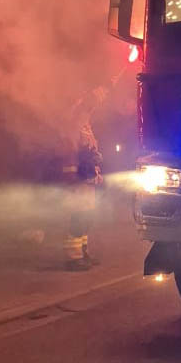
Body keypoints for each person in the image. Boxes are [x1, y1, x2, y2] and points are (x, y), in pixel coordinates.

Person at [61, 87, 107, 271]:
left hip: (87, 177)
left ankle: (83, 251)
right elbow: (69, 151)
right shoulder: (73, 123)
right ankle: (73, 257)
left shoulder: (85, 125)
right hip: (78, 179)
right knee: (78, 216)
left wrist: (96, 172)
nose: (92, 107)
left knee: (86, 215)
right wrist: (71, 174)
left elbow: (90, 151)